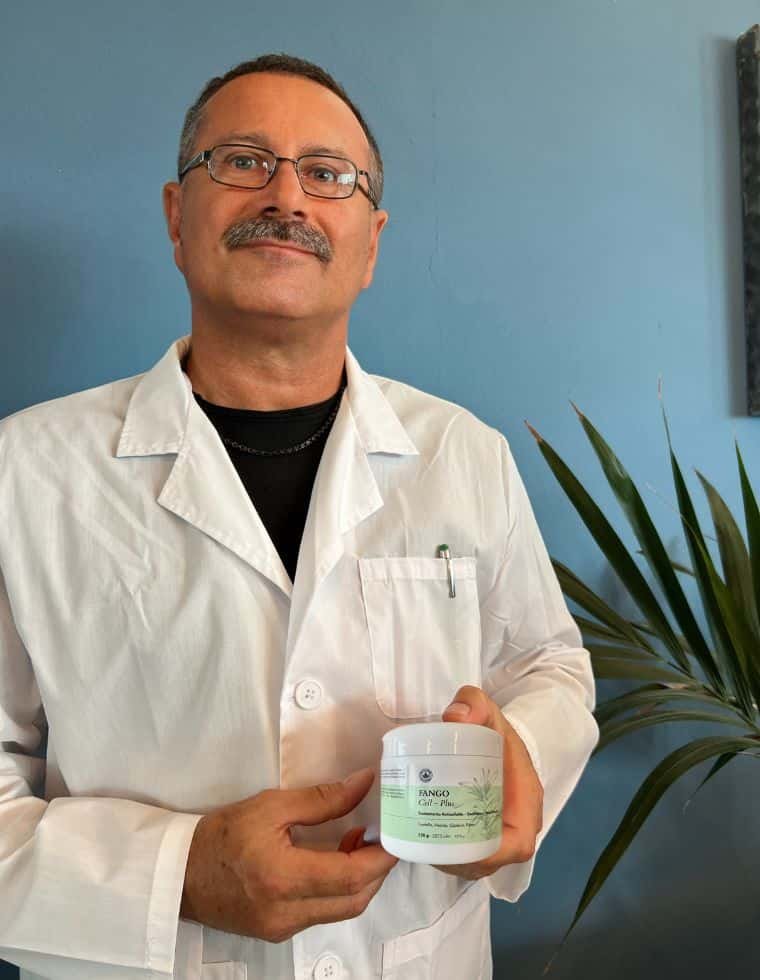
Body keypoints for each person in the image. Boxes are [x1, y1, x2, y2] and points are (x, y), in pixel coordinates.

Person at [0, 53, 598, 980]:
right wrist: (177, 876)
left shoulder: (462, 453)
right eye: (242, 161)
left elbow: (548, 664)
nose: (286, 197)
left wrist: (521, 754)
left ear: (372, 243)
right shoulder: (25, 471)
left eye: (327, 174)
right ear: (176, 216)